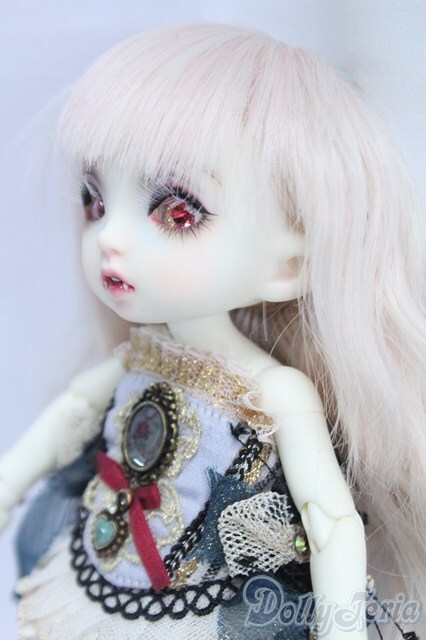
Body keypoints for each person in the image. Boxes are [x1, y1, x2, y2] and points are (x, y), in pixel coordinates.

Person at [0, 23, 424, 640]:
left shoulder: (274, 393)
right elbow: (66, 419)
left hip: (203, 614)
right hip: (98, 582)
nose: (109, 237)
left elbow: (331, 523)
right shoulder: (136, 359)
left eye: (177, 212)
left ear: (288, 266)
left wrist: (343, 628)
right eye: (95, 202)